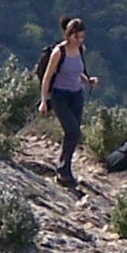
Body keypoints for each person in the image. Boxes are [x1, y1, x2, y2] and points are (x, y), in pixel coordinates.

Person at [38, 16, 97, 189]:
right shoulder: (59, 52)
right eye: (77, 37)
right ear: (69, 35)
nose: (79, 40)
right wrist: (44, 101)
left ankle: (65, 168)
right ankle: (63, 171)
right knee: (72, 131)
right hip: (60, 96)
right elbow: (47, 77)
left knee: (74, 134)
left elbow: (78, 71)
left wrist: (88, 81)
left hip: (76, 95)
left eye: (82, 37)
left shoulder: (80, 50)